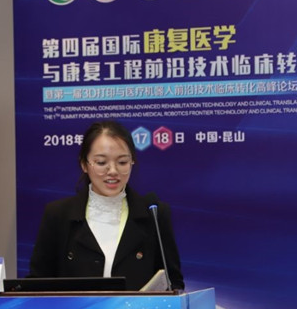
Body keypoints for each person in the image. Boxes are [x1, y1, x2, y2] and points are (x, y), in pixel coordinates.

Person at [28, 120, 184, 291]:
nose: (113, 171)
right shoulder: (58, 215)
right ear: (84, 164)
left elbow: (173, 283)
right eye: (102, 163)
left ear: (132, 162)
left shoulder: (154, 214)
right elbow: (38, 285)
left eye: (122, 162)